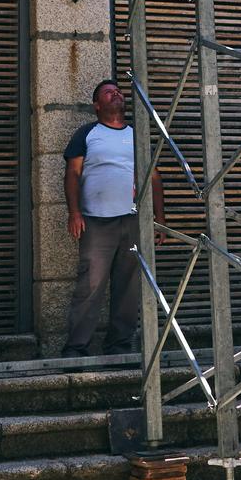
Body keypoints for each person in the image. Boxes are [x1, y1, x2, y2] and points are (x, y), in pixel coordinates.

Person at [63, 79, 165, 358]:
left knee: (129, 287)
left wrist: (160, 218)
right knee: (91, 285)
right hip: (96, 222)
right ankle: (75, 348)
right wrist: (74, 212)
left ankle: (119, 346)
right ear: (97, 106)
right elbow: (72, 174)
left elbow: (153, 177)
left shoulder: (138, 136)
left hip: (132, 221)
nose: (116, 94)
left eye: (118, 91)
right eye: (108, 93)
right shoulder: (87, 134)